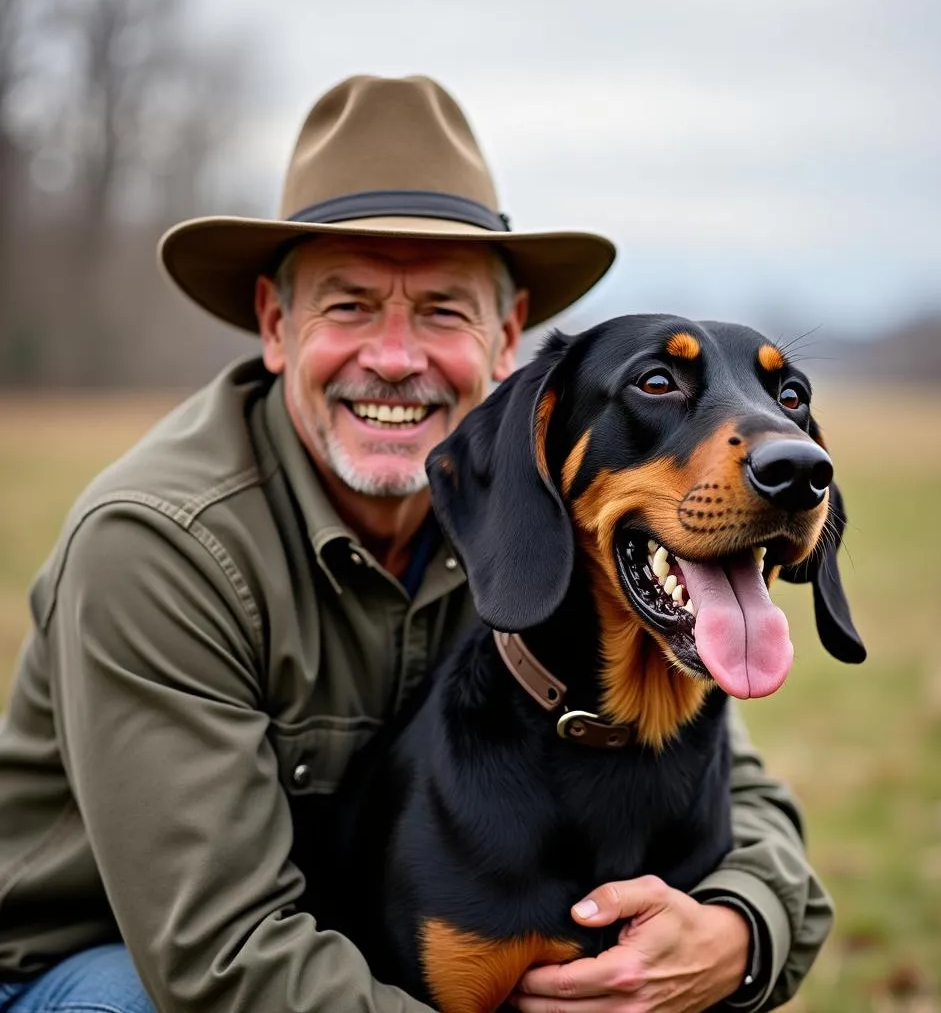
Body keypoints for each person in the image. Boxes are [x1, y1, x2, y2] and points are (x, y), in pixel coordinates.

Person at [0, 75, 832, 1013]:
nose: (394, 358)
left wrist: (738, 934)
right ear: (277, 327)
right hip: (83, 961)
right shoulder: (157, 548)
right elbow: (219, 962)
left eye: (441, 310)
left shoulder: (522, 498)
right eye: (349, 306)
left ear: (504, 333)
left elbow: (736, 785)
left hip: (344, 941)